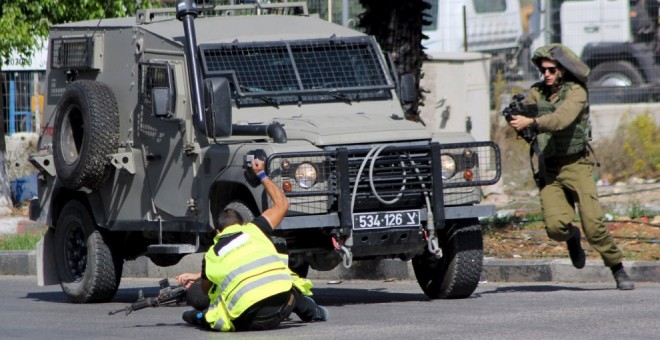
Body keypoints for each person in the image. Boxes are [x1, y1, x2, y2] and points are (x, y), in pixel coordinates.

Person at [508, 43, 635, 290]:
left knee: (595, 226)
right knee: (555, 228)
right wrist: (517, 107)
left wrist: (532, 121)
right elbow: (527, 98)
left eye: (552, 70)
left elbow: (560, 119)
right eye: (543, 70)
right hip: (550, 169)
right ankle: (572, 237)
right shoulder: (538, 91)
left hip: (576, 165)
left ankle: (617, 268)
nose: (546, 75)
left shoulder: (577, 93)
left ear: (563, 70)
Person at [176, 156, 328, 331]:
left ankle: (195, 316)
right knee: (289, 289)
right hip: (283, 306)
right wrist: (262, 174)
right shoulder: (255, 229)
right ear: (242, 224)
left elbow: (207, 289)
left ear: (218, 232)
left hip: (249, 321)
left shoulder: (212, 254)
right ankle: (315, 312)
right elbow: (282, 204)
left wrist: (200, 278)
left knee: (213, 313)